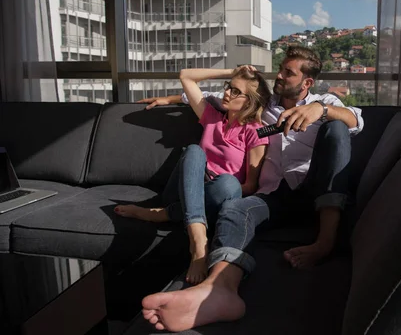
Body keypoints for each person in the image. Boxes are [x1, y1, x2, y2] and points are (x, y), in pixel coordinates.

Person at [139, 47, 364, 332]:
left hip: (312, 188)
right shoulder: (263, 104)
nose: (279, 75)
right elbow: (212, 99)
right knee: (235, 209)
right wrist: (169, 99)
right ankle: (218, 289)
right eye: (281, 69)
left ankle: (325, 242)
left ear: (307, 82)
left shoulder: (324, 101)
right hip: (273, 195)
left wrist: (322, 109)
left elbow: (357, 120)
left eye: (288, 73)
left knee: (337, 129)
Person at [114, 65, 271, 285]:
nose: (226, 93)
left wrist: (222, 184)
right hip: (183, 188)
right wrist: (233, 72)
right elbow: (186, 76)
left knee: (229, 183)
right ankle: (198, 240)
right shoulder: (212, 117)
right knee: (194, 151)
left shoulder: (255, 133)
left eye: (235, 91)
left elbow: (250, 185)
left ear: (250, 101)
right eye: (229, 87)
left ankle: (165, 214)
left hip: (216, 196)